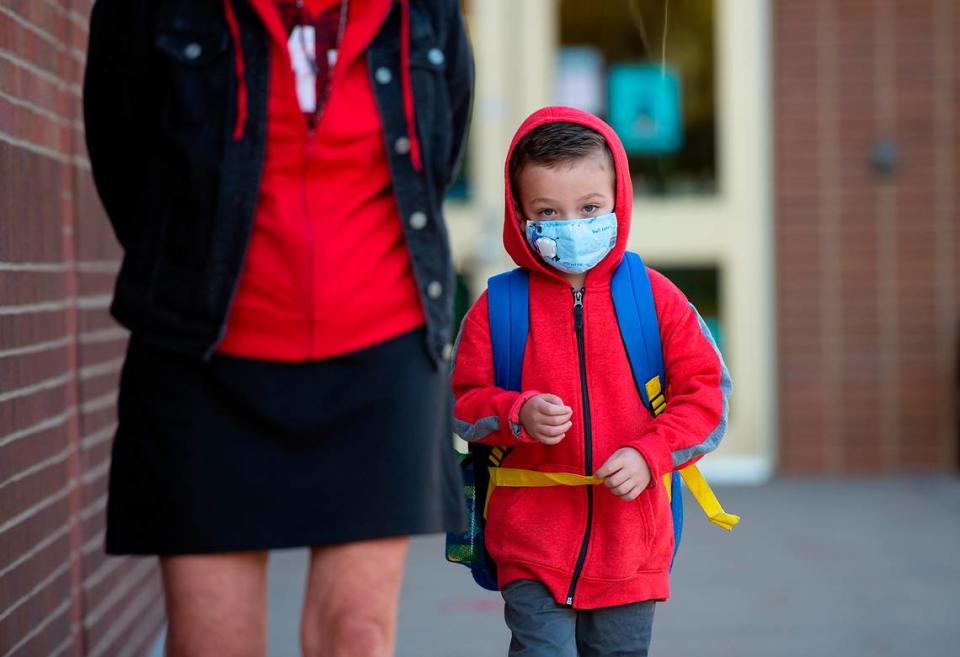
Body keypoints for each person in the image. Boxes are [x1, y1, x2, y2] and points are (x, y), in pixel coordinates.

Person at [82, 0, 472, 655]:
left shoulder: (425, 9)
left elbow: (439, 151)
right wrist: (196, 271)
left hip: (382, 356)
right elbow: (125, 154)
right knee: (212, 643)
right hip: (204, 360)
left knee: (358, 634)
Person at [450, 106, 732, 657]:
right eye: (548, 212)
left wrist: (651, 453)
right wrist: (516, 413)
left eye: (590, 208)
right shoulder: (498, 309)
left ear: (618, 201)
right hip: (529, 540)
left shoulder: (655, 300)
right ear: (519, 213)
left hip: (632, 545)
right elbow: (462, 406)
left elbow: (709, 399)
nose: (571, 225)